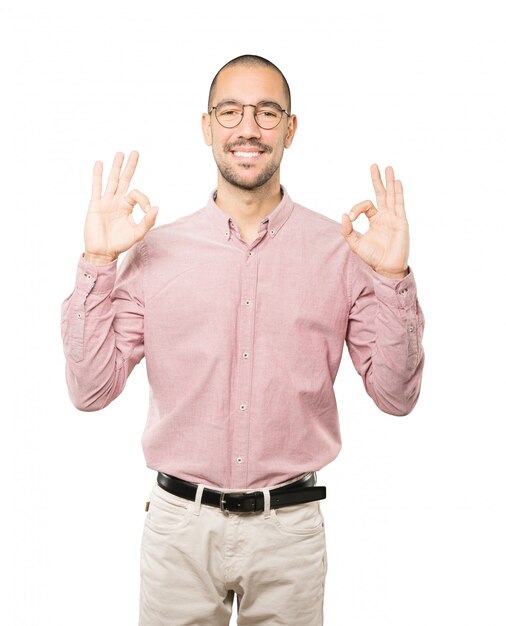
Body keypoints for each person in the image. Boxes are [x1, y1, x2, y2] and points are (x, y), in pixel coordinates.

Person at [60, 54, 425, 626]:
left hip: (291, 533)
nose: (248, 128)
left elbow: (397, 398)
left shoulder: (344, 250)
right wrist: (98, 262)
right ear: (207, 127)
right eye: (229, 112)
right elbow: (91, 390)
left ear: (290, 128)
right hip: (179, 531)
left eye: (266, 112)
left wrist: (392, 280)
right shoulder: (155, 251)